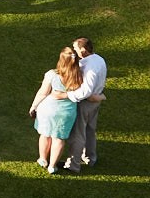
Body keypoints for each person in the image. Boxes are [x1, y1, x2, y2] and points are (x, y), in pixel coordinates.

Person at [29, 45, 83, 174]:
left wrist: (33, 106)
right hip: (66, 112)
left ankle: (42, 159)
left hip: (48, 109)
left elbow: (43, 93)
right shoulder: (80, 76)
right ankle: (52, 166)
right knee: (58, 139)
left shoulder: (52, 74)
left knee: (45, 134)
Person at [64, 37, 108, 172]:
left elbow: (86, 90)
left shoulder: (89, 67)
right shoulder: (99, 59)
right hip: (95, 101)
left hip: (85, 102)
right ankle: (90, 158)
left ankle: (73, 165)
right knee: (90, 131)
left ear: (83, 50)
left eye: (76, 49)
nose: (74, 51)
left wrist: (69, 96)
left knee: (78, 134)